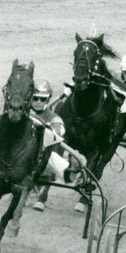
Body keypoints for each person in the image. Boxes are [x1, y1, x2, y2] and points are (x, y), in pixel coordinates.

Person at [30, 77, 84, 211]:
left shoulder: (55, 118)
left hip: (42, 158)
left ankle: (71, 173)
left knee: (54, 160)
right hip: (21, 155)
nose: (38, 102)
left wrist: (41, 126)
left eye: (42, 99)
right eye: (35, 98)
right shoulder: (21, 113)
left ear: (47, 100)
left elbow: (58, 133)